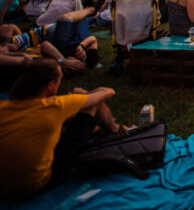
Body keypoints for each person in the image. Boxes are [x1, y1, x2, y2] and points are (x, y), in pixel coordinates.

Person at [0, 59, 127, 198]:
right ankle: (115, 130)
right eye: (60, 79)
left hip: (4, 186)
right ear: (50, 85)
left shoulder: (4, 106)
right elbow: (108, 92)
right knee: (91, 103)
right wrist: (79, 95)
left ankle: (97, 129)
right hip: (34, 185)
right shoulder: (56, 106)